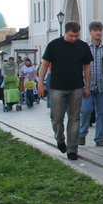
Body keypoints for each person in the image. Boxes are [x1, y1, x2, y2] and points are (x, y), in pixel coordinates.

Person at [38, 21, 93, 160]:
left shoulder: (83, 46)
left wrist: (87, 86)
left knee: (74, 118)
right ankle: (60, 138)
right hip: (57, 87)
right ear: (65, 33)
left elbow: (87, 67)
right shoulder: (54, 45)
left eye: (76, 36)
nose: (74, 38)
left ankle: (72, 149)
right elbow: (44, 64)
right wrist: (40, 84)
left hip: (76, 87)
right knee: (56, 118)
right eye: (71, 36)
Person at [78, 21, 103, 147]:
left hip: (102, 84)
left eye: (100, 30)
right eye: (95, 30)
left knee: (102, 113)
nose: (98, 33)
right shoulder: (85, 47)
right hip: (88, 85)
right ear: (90, 32)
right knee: (86, 110)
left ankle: (99, 138)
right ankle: (82, 133)